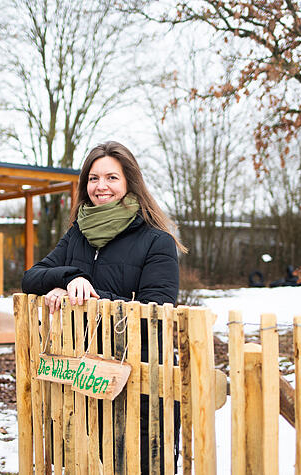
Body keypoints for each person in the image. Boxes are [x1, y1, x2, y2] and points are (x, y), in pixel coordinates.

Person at [21, 141, 186, 473]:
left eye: (111, 177)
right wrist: (67, 279)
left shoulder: (156, 241)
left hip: (137, 382)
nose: (101, 187)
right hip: (80, 378)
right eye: (93, 178)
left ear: (129, 182)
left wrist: (85, 296)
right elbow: (31, 277)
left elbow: (157, 311)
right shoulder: (77, 235)